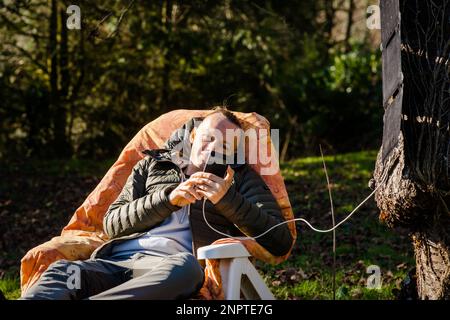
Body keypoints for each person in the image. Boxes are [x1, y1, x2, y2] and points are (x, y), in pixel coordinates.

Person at [21, 107, 293, 300]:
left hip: (171, 269)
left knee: (184, 268)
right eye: (209, 139)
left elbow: (280, 239)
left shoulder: (240, 179)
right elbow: (112, 223)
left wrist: (227, 199)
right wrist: (168, 199)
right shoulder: (152, 166)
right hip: (119, 262)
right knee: (63, 273)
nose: (213, 149)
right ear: (193, 137)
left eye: (224, 145)